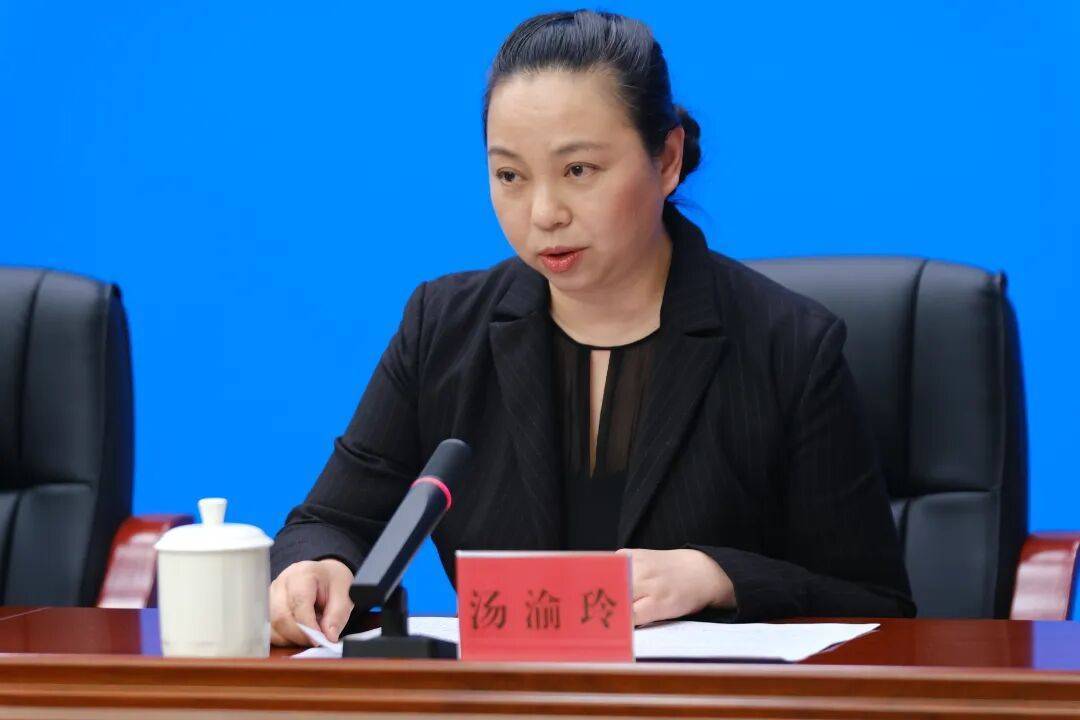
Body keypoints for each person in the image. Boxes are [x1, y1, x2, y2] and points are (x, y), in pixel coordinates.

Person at [268, 9, 914, 647]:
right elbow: (328, 522)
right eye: (510, 176)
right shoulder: (444, 328)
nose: (544, 213)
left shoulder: (789, 345)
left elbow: (876, 603)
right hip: (507, 696)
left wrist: (716, 576)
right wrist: (316, 568)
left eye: (578, 171)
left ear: (667, 159)